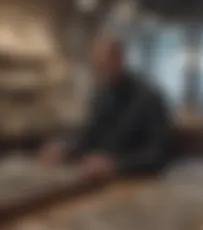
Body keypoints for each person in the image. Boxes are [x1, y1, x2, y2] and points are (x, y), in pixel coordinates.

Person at [40, 35, 174, 180]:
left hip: (137, 183)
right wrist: (65, 150)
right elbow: (89, 137)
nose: (99, 74)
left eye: (103, 66)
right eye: (96, 67)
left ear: (120, 60)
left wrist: (116, 165)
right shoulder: (101, 96)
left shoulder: (150, 98)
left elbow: (158, 155)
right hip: (100, 180)